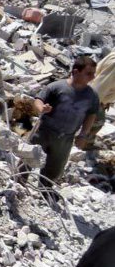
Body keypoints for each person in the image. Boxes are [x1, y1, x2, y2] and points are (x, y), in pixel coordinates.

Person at [32, 56, 99, 187]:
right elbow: (38, 100)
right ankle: (19, 183)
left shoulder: (92, 95)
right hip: (43, 132)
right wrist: (42, 108)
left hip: (65, 138)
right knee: (28, 158)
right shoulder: (57, 87)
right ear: (75, 71)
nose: (93, 77)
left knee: (54, 169)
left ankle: (44, 191)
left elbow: (91, 115)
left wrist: (83, 134)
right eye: (88, 73)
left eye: (93, 74)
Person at [86, 50, 115, 149]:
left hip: (97, 97)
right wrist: (96, 106)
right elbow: (99, 88)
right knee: (96, 122)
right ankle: (84, 144)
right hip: (94, 99)